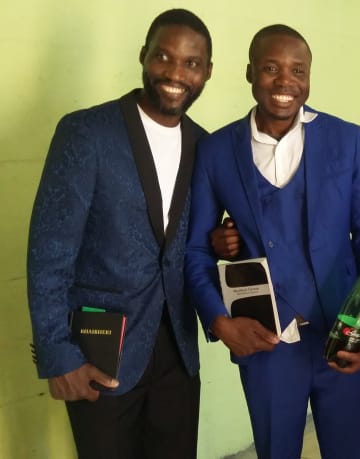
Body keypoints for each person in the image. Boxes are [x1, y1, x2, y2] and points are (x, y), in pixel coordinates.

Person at [184, 24, 360, 459]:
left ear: (310, 76)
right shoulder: (216, 150)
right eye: (271, 68)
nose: (285, 81)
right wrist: (220, 322)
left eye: (298, 70)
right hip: (266, 343)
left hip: (343, 331)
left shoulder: (345, 138)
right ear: (249, 72)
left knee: (351, 451)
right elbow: (197, 249)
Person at [27, 9, 213, 458]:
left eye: (191, 63)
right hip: (100, 352)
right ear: (143, 55)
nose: (175, 73)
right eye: (163, 56)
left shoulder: (206, 144)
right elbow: (49, 251)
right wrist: (57, 354)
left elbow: (195, 243)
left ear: (207, 72)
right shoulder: (86, 132)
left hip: (177, 353)